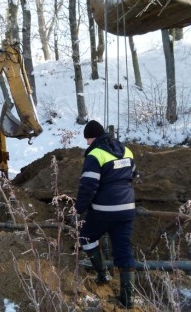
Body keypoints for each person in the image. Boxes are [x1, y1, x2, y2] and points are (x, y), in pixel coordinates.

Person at [75, 120, 137, 309]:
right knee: (124, 250)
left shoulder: (95, 155)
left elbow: (89, 186)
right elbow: (135, 175)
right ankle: (128, 299)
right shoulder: (127, 151)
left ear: (94, 137)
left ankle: (103, 274)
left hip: (104, 209)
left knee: (86, 237)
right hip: (127, 209)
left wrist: (79, 208)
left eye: (88, 139)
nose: (87, 143)